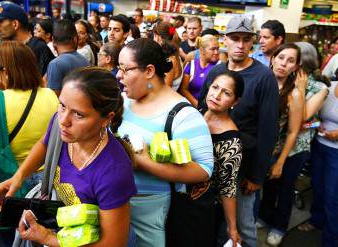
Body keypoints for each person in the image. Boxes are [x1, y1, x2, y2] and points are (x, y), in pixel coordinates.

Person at [0, 67, 137, 247]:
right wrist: (19, 177)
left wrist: (47, 238)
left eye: (79, 114)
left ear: (107, 119)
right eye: (62, 105)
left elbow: (113, 243)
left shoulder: (113, 173)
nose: (64, 120)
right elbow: (45, 144)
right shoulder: (60, 127)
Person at [117, 38, 214, 247]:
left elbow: (204, 169)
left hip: (151, 212)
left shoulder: (183, 115)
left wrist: (144, 162)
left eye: (125, 69)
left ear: (149, 71)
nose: (118, 75)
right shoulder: (124, 101)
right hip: (116, 204)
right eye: (118, 68)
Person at [198, 16, 279, 247]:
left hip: (243, 166)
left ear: (252, 42)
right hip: (210, 160)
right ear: (225, 40)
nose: (240, 45)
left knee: (241, 227)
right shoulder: (218, 71)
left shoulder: (264, 77)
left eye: (246, 40)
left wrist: (257, 175)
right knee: (213, 223)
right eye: (235, 39)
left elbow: (268, 129)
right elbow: (202, 108)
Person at [0, 41, 58, 247]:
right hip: (47, 182)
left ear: (6, 72)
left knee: (12, 235)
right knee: (43, 234)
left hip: (9, 182)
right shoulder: (50, 95)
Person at [258, 44, 305, 246]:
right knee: (266, 190)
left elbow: (294, 130)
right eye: (281, 58)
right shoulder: (260, 82)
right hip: (257, 149)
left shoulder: (293, 94)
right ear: (273, 58)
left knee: (283, 191)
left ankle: (279, 227)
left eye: (290, 61)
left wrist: (280, 162)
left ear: (295, 67)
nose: (284, 64)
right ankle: (265, 217)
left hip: (277, 152)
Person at [297, 63, 338, 247]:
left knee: (333, 196)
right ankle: (316, 221)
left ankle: (331, 240)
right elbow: (315, 115)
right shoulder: (329, 88)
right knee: (318, 186)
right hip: (320, 145)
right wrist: (316, 124)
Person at [203, 71, 244, 247]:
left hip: (206, 207)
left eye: (226, 93)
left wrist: (232, 227)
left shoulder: (231, 141)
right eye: (215, 87)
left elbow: (228, 188)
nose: (217, 95)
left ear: (235, 102)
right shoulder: (197, 114)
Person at [0, 2, 55, 76]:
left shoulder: (38, 48)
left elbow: (41, 83)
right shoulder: (6, 49)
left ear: (15, 24)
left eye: (0, 21)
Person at [46, 19, 89, 95]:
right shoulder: (85, 61)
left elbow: (53, 98)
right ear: (75, 39)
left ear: (53, 40)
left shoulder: (55, 64)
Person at [179, 34, 219, 107]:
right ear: (202, 50)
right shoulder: (191, 66)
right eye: (213, 49)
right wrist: (198, 106)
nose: (216, 52)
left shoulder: (220, 67)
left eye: (217, 49)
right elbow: (183, 89)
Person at [153, 21, 182, 91]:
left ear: (158, 37)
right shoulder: (172, 55)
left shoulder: (169, 60)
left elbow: (164, 90)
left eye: (153, 36)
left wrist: (148, 85)